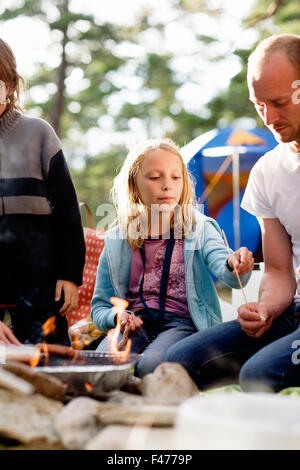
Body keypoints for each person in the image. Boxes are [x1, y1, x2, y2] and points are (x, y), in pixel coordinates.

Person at [163, 33, 300, 392]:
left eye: (280, 102)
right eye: (259, 105)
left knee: (258, 374)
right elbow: (279, 271)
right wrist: (265, 308)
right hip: (293, 314)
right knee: (175, 365)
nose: (269, 117)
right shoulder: (268, 171)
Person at [91, 138, 254, 377]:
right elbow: (100, 308)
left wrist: (234, 264)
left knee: (151, 368)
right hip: (135, 320)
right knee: (104, 366)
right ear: (134, 186)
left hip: (182, 323)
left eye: (175, 177)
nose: (167, 185)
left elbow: (225, 268)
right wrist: (119, 315)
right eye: (155, 178)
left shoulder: (200, 227)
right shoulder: (117, 240)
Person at [0, 38, 85, 346]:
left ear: (10, 87)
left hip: (40, 278)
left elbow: (68, 212)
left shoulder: (38, 135)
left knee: (49, 355)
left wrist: (70, 274)